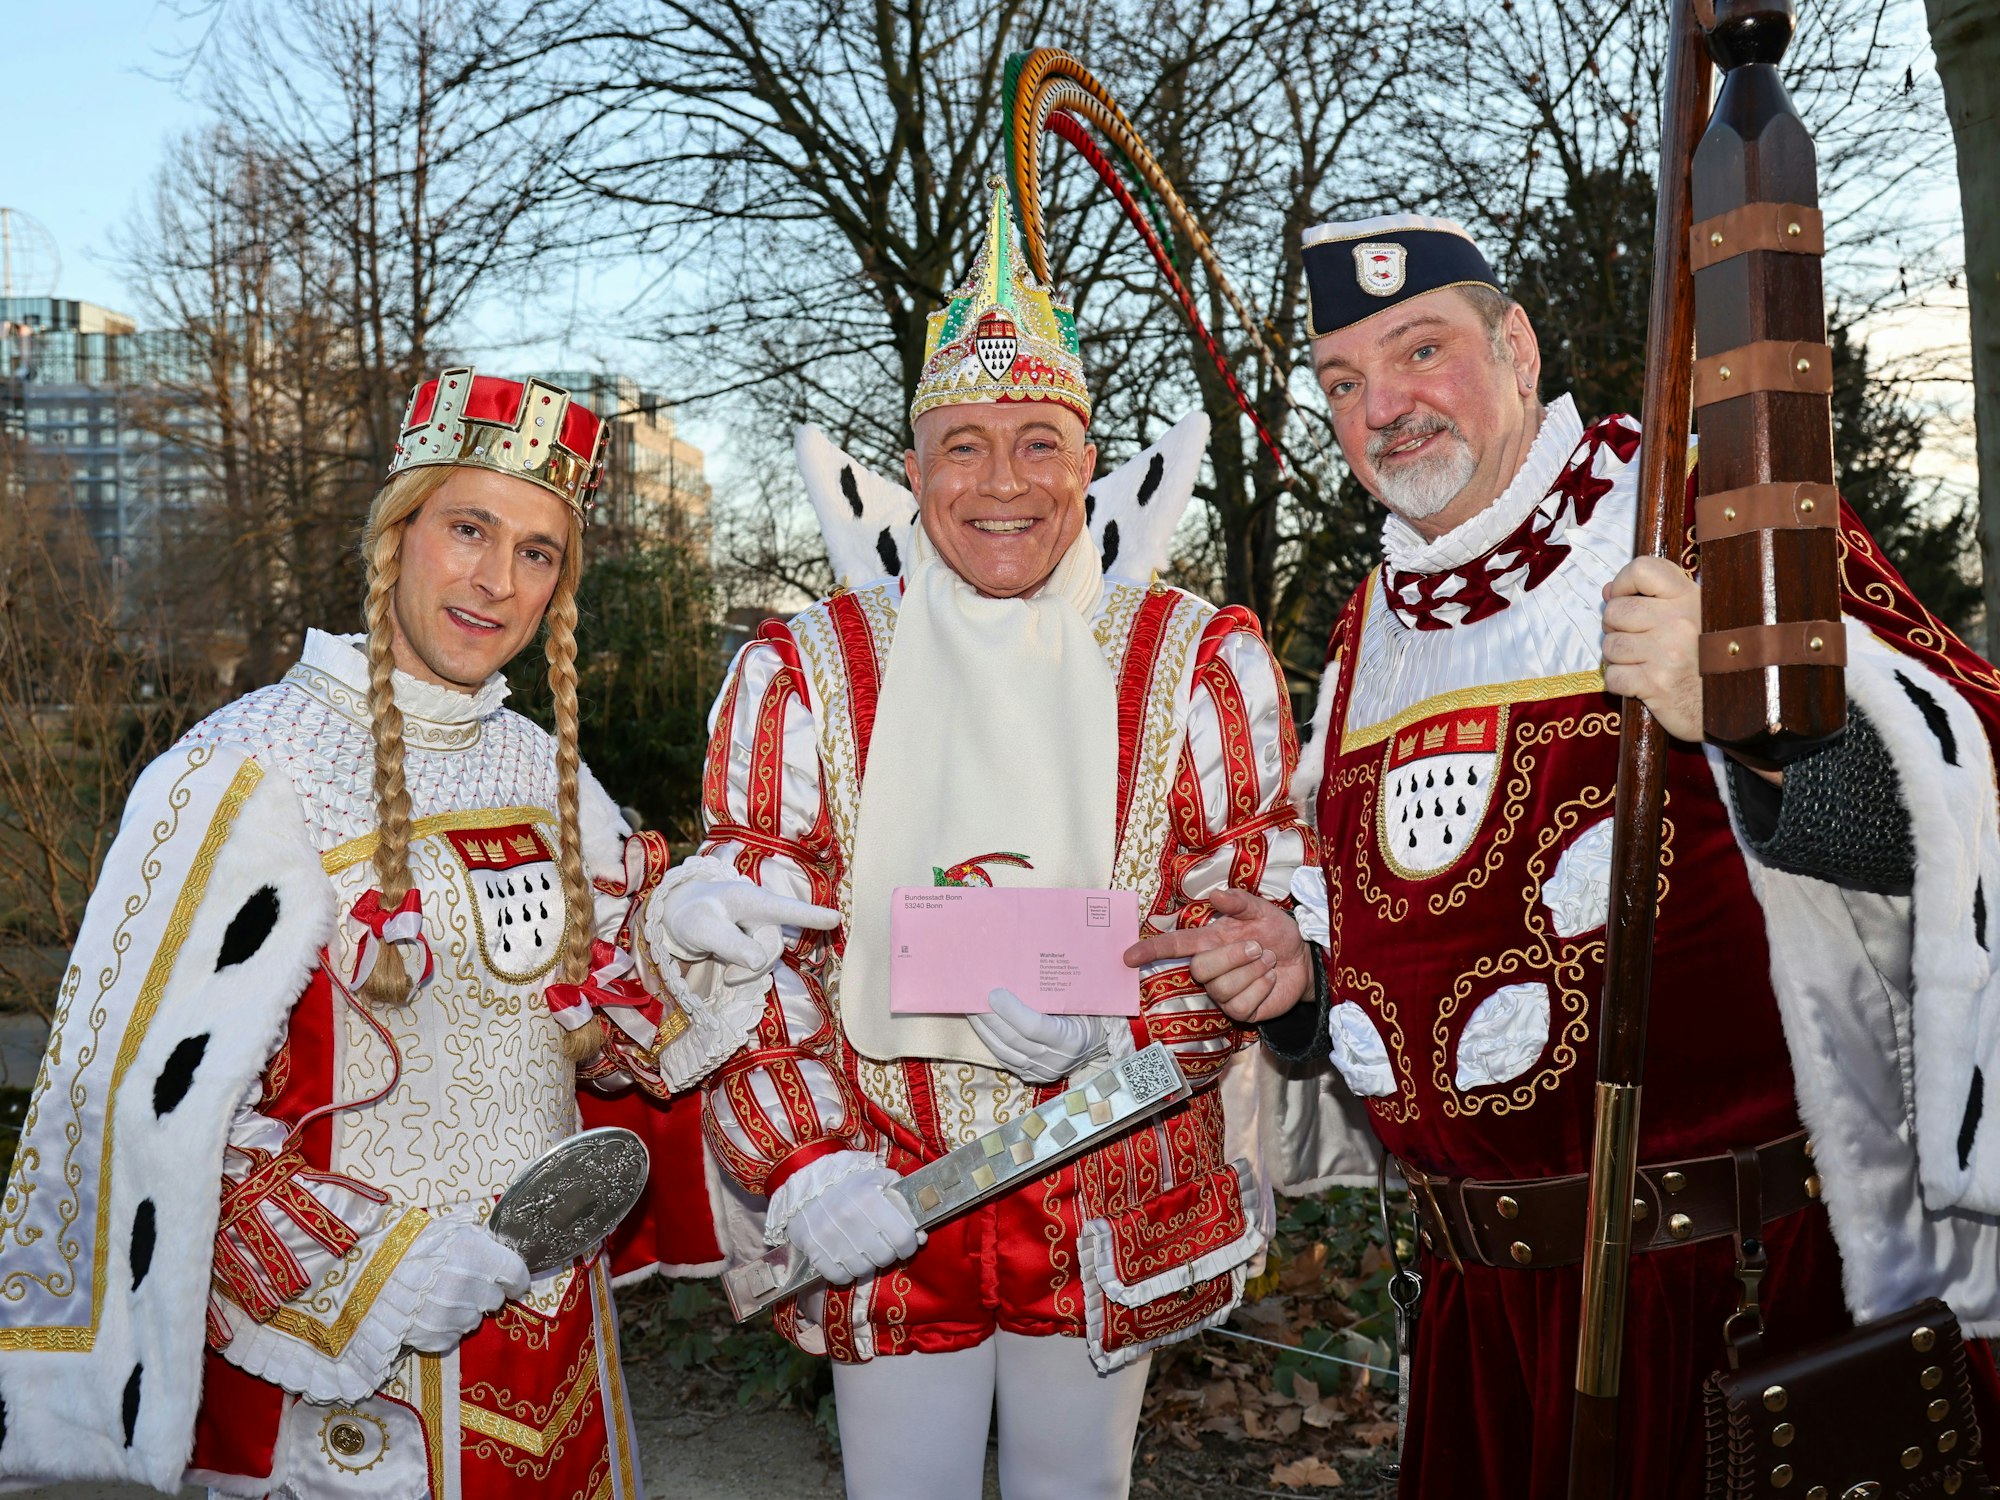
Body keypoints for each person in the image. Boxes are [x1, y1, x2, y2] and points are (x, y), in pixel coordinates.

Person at [1128, 214, 2000, 1496]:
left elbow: (1963, 780)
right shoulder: (1373, 614)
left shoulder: (1706, 517)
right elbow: (1400, 927)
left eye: (1418, 350)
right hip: (1480, 1331)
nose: (1382, 406)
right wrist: (1303, 976)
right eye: (1339, 381)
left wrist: (1748, 721)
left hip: (1733, 1298)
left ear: (1518, 347)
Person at [0, 368, 835, 1497]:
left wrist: (678, 936)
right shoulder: (243, 768)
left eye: (537, 550)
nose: (497, 580)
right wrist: (376, 1268)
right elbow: (149, 1105)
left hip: (555, 1353)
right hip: (348, 1371)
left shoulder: (547, 769)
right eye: (470, 529)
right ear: (398, 534)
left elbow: (601, 1035)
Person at [667, 178, 1310, 1500]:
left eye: (1037, 442)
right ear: (912, 471)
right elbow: (750, 947)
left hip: (1109, 1187)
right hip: (884, 1192)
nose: (1000, 481)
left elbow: (1249, 903)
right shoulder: (805, 670)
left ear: (1089, 459)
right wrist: (807, 1164)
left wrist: (1129, 1036)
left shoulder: (1197, 659)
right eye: (962, 445)